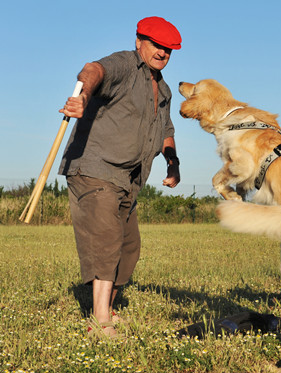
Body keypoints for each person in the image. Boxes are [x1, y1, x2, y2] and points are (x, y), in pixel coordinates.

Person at [59, 16, 182, 338]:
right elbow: (93, 70)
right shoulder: (124, 65)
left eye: (169, 49)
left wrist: (173, 163)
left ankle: (107, 308)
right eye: (157, 45)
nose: (162, 53)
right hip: (95, 168)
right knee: (106, 240)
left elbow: (166, 132)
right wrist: (83, 96)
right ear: (140, 40)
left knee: (129, 247)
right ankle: (100, 322)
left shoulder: (164, 89)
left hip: (130, 178)